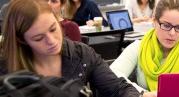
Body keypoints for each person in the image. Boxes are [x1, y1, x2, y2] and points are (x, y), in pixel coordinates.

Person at [0, 0, 155, 97]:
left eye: (53, 29)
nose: (52, 40)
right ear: (22, 40)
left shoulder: (82, 54)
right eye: (38, 38)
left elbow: (117, 89)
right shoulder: (5, 69)